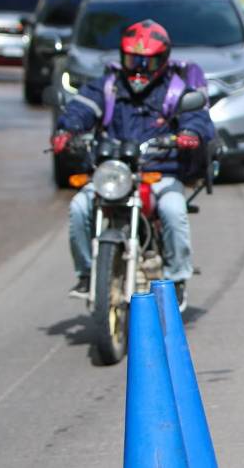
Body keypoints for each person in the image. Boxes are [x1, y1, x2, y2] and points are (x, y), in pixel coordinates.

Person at [52, 19, 215, 308]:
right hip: (114, 172)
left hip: (159, 173)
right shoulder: (109, 86)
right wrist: (67, 130)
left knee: (173, 210)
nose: (139, 69)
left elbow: (197, 117)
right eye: (132, 60)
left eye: (147, 62)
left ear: (162, 60)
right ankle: (87, 274)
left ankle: (177, 278)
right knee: (79, 208)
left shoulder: (176, 90)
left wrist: (190, 133)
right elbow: (81, 108)